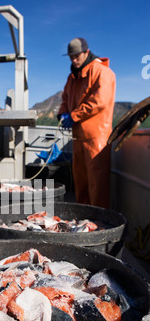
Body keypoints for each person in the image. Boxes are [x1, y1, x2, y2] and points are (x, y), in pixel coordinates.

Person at [57, 38, 116, 209]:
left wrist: (74, 115)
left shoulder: (102, 72)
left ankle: (99, 223)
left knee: (97, 184)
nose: (74, 60)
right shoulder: (71, 78)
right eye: (71, 57)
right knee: (80, 182)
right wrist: (62, 113)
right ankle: (83, 219)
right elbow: (65, 99)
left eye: (77, 56)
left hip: (97, 137)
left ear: (86, 52)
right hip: (78, 138)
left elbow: (100, 101)